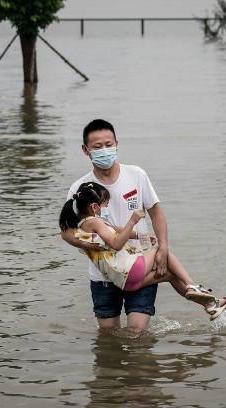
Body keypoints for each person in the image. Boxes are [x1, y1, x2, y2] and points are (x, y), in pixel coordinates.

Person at [59, 182, 226, 320]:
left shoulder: (82, 227)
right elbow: (116, 244)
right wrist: (133, 220)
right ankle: (192, 285)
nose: (107, 208)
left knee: (170, 274)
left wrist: (139, 235)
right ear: (94, 207)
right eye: (105, 204)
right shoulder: (96, 222)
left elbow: (118, 231)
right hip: (130, 272)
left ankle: (211, 305)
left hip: (124, 281)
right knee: (161, 250)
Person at [59, 119, 167, 334]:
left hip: (138, 264)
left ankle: (197, 292)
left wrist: (163, 247)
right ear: (85, 150)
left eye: (109, 144)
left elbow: (157, 213)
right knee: (108, 336)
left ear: (117, 143)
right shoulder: (79, 189)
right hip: (103, 275)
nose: (105, 150)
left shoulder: (136, 174)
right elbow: (67, 232)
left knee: (136, 334)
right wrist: (93, 244)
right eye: (97, 147)